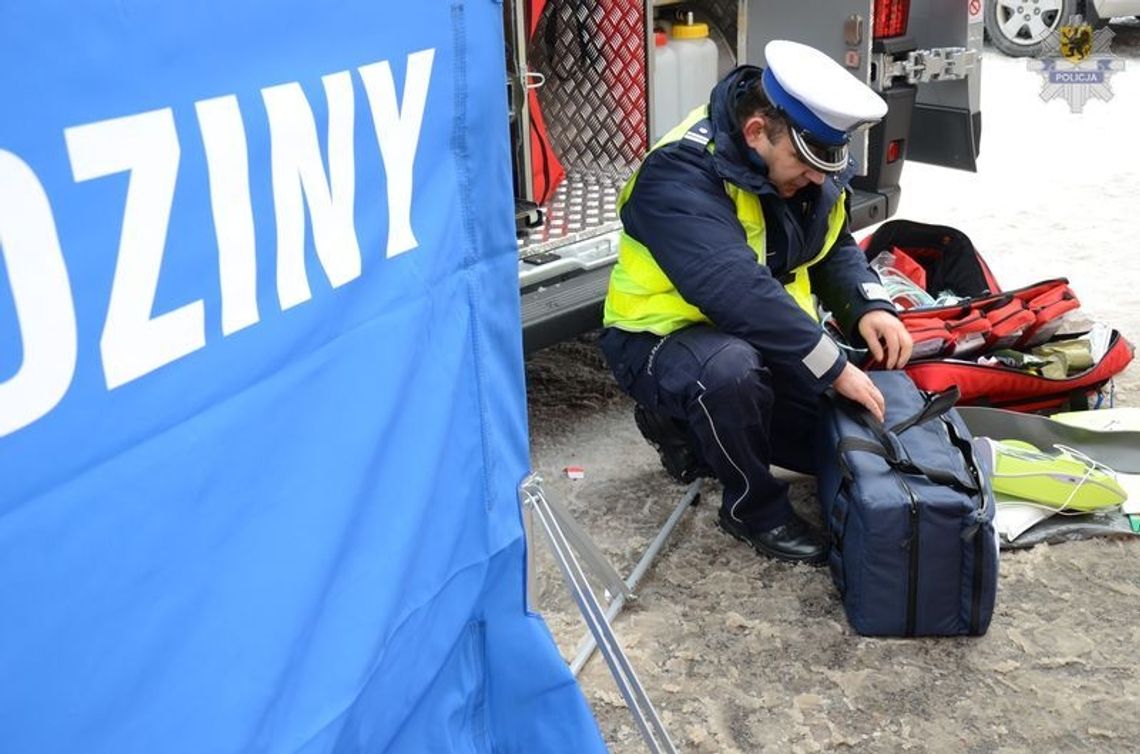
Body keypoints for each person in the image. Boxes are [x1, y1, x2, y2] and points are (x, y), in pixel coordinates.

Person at [598, 40, 914, 565]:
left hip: (761, 335)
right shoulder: (678, 175)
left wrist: (868, 305)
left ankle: (691, 433)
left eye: (826, 165)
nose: (818, 177)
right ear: (755, 133)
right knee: (730, 376)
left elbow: (830, 242)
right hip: (659, 339)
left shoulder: (801, 164)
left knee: (834, 435)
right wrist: (831, 364)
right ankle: (752, 509)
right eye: (806, 163)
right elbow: (737, 291)